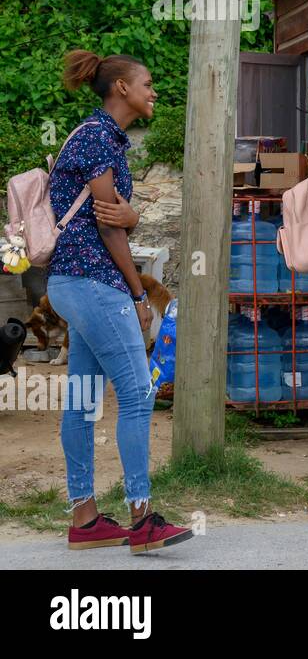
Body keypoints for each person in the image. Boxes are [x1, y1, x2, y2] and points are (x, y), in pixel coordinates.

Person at [49, 50, 194, 553]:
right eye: (147, 83)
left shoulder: (100, 137)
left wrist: (128, 218)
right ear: (122, 90)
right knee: (137, 394)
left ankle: (85, 519)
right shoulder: (97, 138)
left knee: (85, 399)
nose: (154, 91)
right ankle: (143, 519)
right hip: (95, 283)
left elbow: (113, 215)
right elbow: (112, 224)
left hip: (73, 283)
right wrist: (139, 292)